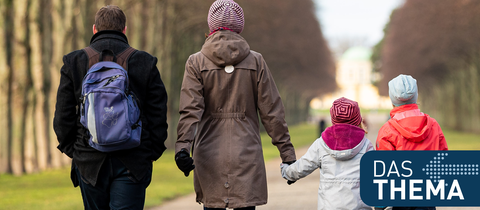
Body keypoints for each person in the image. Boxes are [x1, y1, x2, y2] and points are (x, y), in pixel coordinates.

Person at [174, 0, 296, 209]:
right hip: (246, 153)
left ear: (211, 25)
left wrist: (182, 148)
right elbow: (272, 113)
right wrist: (288, 156)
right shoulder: (256, 62)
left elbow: (190, 110)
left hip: (209, 154)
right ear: (240, 27)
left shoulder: (195, 62)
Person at [53, 5, 168, 209]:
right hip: (133, 159)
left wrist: (76, 151)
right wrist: (151, 152)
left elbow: (63, 116)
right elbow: (158, 112)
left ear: (94, 29)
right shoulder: (145, 62)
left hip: (89, 160)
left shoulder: (74, 61)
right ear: (124, 30)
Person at [281, 97, 373, 210]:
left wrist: (286, 170)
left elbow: (302, 166)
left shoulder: (321, 143)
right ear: (358, 119)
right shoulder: (366, 145)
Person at [376, 74, 448, 210]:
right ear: (416, 96)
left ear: (392, 99)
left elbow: (383, 171)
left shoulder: (387, 130)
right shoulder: (433, 125)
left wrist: (380, 204)